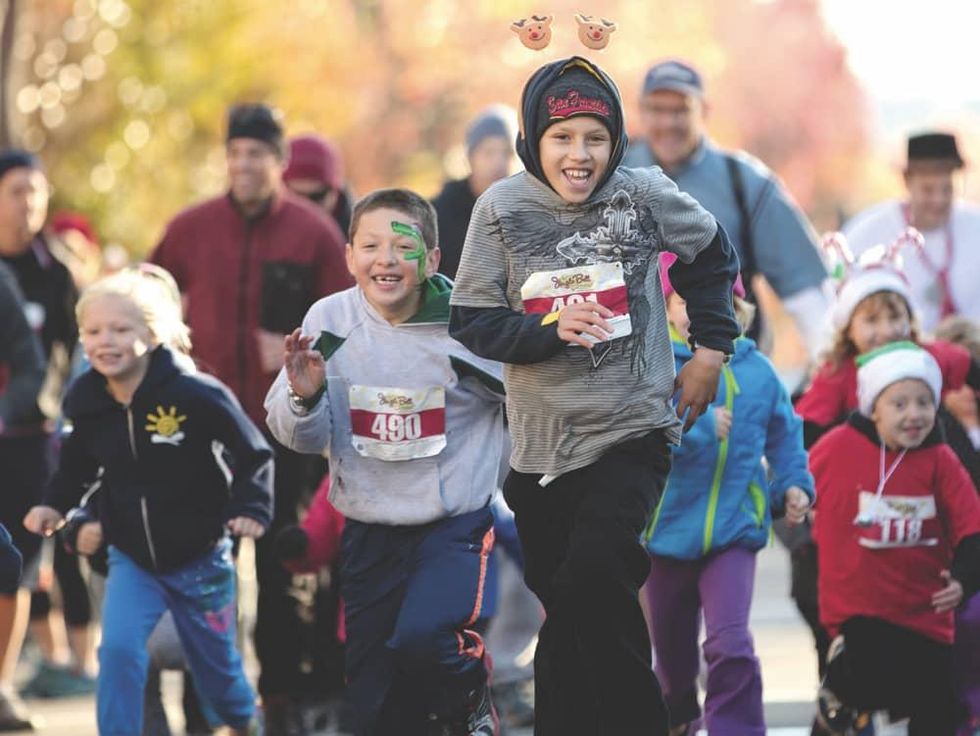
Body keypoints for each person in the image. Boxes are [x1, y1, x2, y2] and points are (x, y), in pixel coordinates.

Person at [449, 55, 741, 734]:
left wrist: (710, 349)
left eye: (595, 138)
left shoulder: (643, 194)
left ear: (617, 143)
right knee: (573, 611)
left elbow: (711, 254)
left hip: (632, 431)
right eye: (562, 138)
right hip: (541, 449)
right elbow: (473, 320)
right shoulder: (500, 208)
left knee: (594, 577)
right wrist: (547, 329)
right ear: (533, 140)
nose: (579, 155)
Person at [265, 188, 506, 734]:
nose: (387, 260)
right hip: (368, 526)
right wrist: (304, 397)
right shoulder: (330, 319)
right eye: (371, 246)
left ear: (433, 259)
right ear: (350, 256)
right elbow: (297, 435)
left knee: (424, 637)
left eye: (404, 246)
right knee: (374, 698)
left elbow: (529, 397)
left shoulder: (470, 325)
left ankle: (471, 692)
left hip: (451, 526)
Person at [150, 102, 352, 731]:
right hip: (204, 430)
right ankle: (203, 707)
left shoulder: (314, 233)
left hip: (284, 428)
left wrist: (308, 354)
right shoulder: (191, 228)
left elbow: (350, 320)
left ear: (279, 161)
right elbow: (147, 295)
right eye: (235, 153)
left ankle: (280, 701)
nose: (243, 165)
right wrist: (173, 346)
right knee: (203, 568)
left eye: (257, 154)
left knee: (279, 568)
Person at [23, 268, 274, 735]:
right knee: (118, 652)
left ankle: (245, 721)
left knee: (218, 677)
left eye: (121, 329)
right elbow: (76, 467)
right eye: (93, 331)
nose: (106, 341)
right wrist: (55, 507)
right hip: (132, 559)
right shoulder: (85, 398)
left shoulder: (194, 394)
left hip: (200, 559)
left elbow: (253, 453)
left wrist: (250, 508)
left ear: (153, 334)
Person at [643, 254, 814, 735]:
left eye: (713, 301)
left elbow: (786, 436)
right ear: (666, 308)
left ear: (737, 309)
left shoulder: (758, 372)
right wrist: (695, 427)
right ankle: (679, 715)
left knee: (731, 644)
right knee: (673, 663)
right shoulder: (655, 367)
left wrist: (794, 484)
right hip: (666, 532)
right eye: (684, 302)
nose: (697, 312)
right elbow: (640, 428)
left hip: (734, 532)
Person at [810, 342, 980, 735]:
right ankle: (836, 704)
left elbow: (972, 526)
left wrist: (963, 580)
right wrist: (791, 500)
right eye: (899, 404)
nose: (914, 414)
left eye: (924, 402)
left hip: (925, 612)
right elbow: (795, 480)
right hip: (858, 609)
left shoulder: (940, 459)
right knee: (866, 681)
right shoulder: (838, 446)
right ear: (874, 409)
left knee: (937, 709)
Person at [624, 58, 829, 355]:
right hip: (628, 367)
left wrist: (829, 366)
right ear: (641, 110)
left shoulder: (746, 184)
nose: (668, 122)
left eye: (681, 110)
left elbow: (806, 296)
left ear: (704, 111)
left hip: (729, 366)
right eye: (657, 109)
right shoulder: (612, 174)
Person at [0, 148, 78, 729]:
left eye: (35, 190)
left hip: (31, 436)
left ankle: (1, 684)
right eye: (15, 191)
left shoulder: (58, 274)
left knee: (19, 565)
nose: (27, 203)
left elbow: (61, 358)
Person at [843, 132, 980, 333]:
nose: (939, 200)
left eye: (947, 189)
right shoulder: (867, 234)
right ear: (907, 181)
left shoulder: (974, 225)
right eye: (927, 190)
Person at [432, 106, 516, 280]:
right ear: (471, 157)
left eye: (507, 153)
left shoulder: (531, 212)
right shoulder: (439, 215)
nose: (498, 163)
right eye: (488, 152)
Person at [282, 134, 354, 236]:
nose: (307, 209)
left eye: (316, 197)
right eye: (296, 198)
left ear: (336, 193)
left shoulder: (362, 237)